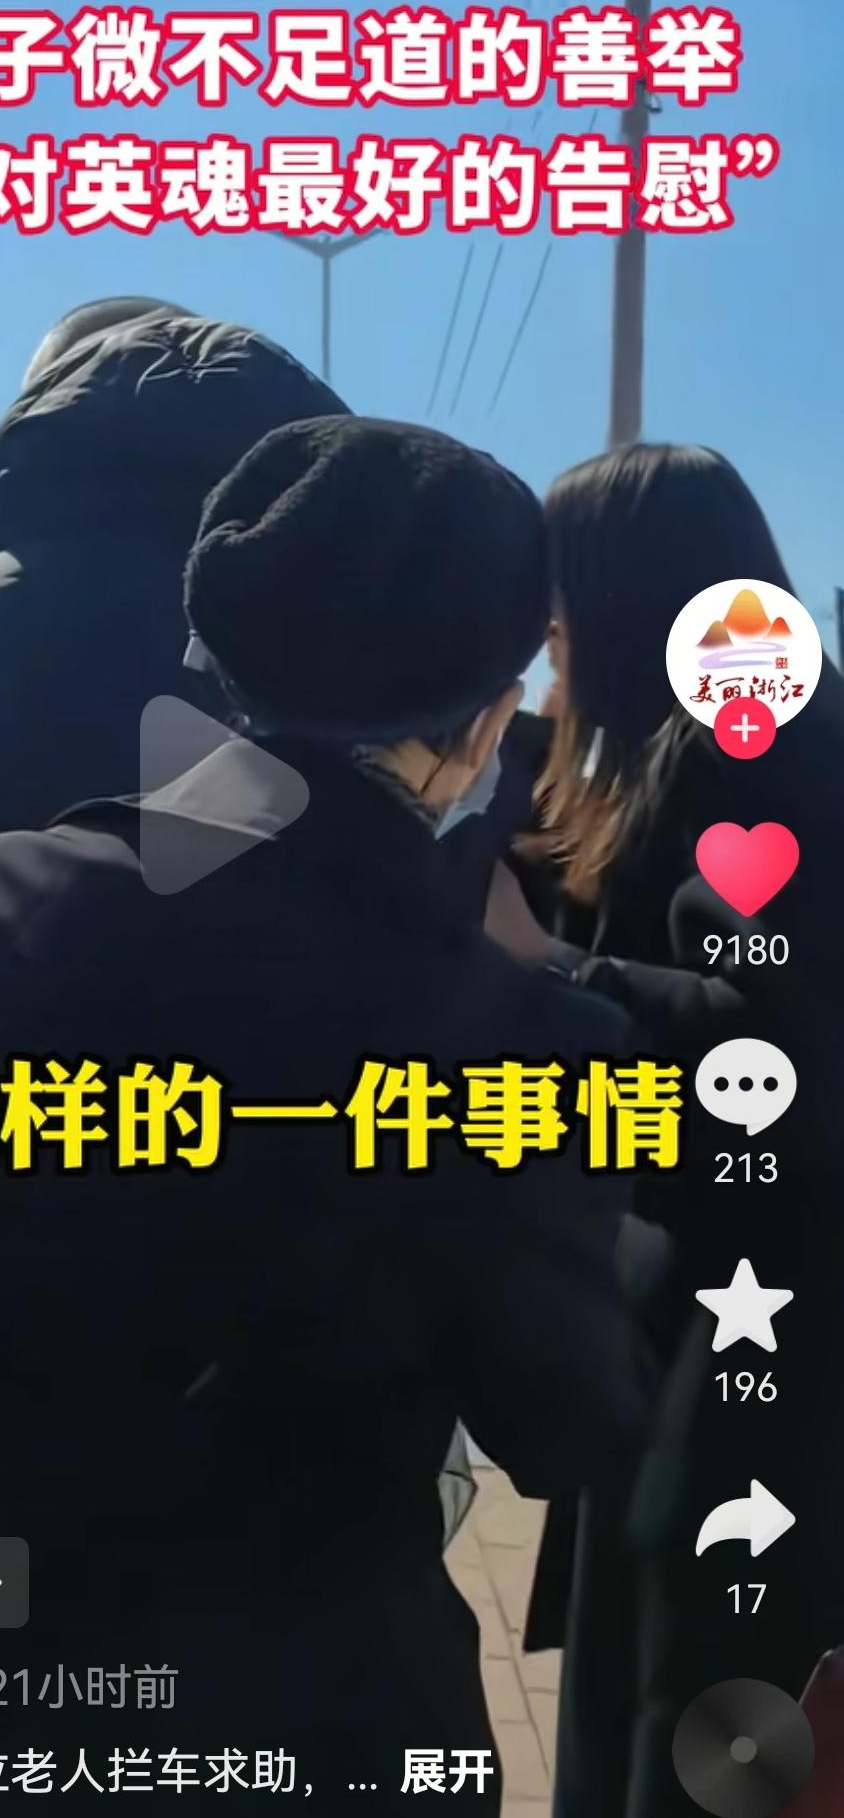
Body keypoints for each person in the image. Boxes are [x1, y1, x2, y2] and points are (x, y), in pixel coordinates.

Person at [0, 419, 650, 1814]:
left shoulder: (5, 910)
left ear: (211, 659)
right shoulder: (516, 1045)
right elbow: (570, 1429)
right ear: (488, 718)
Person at [486, 442, 844, 1818]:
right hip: (713, 1316)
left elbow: (775, 1048)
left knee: (692, 1699)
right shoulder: (730, 743)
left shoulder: (767, 759)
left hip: (757, 1332)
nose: (550, 648)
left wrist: (548, 969)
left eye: (561, 613)